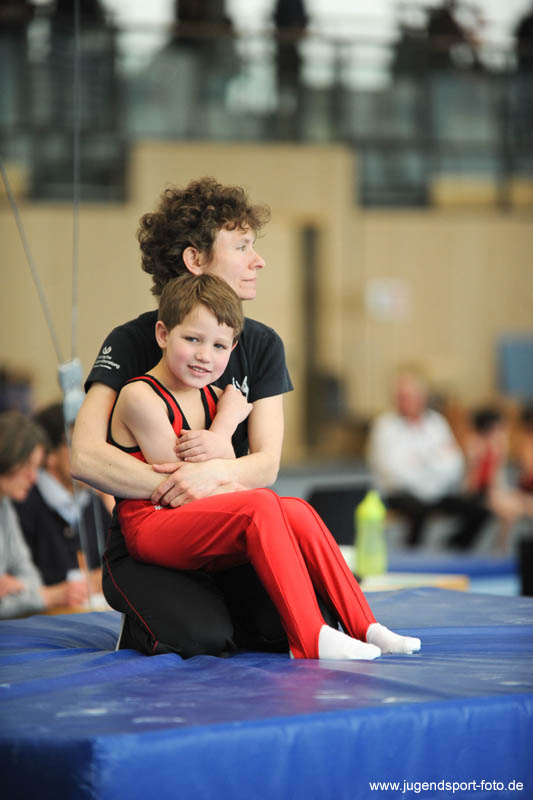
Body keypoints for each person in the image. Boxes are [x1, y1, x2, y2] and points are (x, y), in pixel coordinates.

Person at [108, 271, 420, 660]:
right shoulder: (140, 397)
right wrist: (226, 426)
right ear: (162, 335)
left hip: (192, 519)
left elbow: (216, 475)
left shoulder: (211, 395)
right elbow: (182, 486)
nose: (205, 356)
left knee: (296, 510)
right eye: (192, 340)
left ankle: (366, 625)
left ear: (233, 347)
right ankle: (310, 638)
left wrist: (224, 447)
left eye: (219, 346)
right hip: (151, 526)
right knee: (261, 504)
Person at [71, 177, 297, 657]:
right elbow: (84, 456)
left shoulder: (262, 344)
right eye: (242, 247)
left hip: (224, 530)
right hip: (150, 536)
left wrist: (209, 476)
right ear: (195, 259)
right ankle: (153, 615)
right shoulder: (132, 339)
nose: (258, 260)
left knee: (282, 628)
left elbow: (267, 464)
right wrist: (179, 488)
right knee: (203, 639)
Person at [367, 366, 491, 549]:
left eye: (411, 396)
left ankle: (452, 548)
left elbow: (454, 465)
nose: (405, 402)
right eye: (401, 397)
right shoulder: (385, 426)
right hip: (399, 494)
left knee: (480, 510)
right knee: (418, 510)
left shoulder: (436, 423)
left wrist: (421, 464)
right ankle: (412, 557)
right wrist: (432, 462)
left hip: (437, 492)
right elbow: (393, 471)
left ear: (423, 397)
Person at [14, 402, 111, 604]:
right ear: (49, 455)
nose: (92, 455)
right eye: (78, 444)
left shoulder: (93, 502)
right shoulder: (23, 502)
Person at [0, 410, 90, 618]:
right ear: (6, 459)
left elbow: (32, 577)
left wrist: (21, 585)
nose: (33, 478)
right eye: (27, 466)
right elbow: (42, 589)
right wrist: (47, 597)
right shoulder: (19, 504)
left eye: (36, 468)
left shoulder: (5, 505)